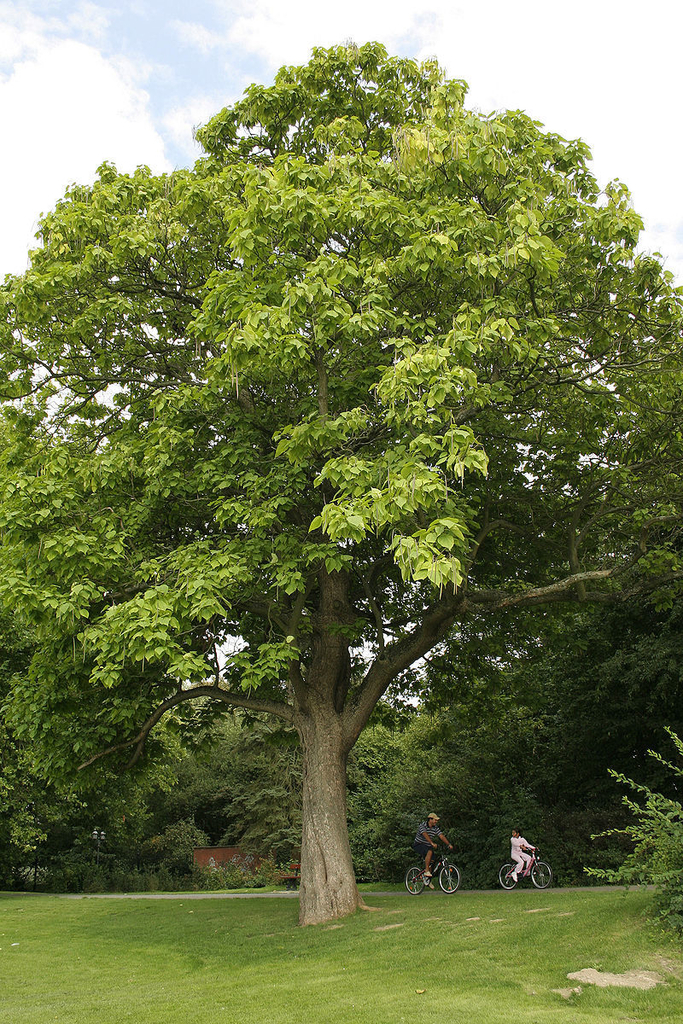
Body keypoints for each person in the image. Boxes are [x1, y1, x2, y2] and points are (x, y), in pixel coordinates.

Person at [413, 813, 453, 887]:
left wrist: (448, 844)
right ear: (430, 819)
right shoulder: (423, 825)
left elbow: (441, 836)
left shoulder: (435, 828)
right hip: (418, 844)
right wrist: (432, 843)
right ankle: (427, 871)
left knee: (433, 860)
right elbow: (425, 834)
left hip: (427, 846)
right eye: (435, 820)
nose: (436, 822)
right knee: (430, 851)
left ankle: (427, 879)